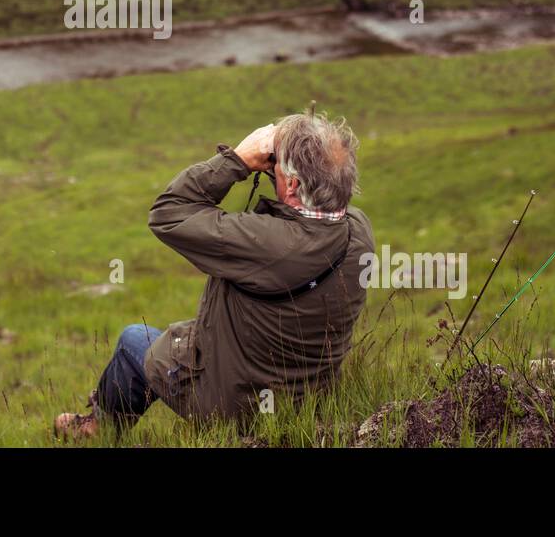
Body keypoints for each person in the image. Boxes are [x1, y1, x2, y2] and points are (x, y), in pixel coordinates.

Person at [55, 110, 375, 438]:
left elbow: (169, 213)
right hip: (310, 401)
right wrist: (302, 164)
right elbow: (324, 203)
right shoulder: (358, 230)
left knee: (133, 340)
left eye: (278, 167)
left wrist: (237, 160)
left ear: (292, 185)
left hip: (236, 406)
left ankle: (98, 430)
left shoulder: (267, 243)